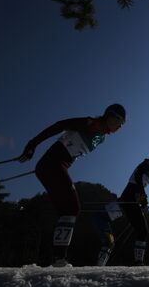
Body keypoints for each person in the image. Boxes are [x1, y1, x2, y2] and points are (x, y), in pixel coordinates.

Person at [18, 104, 126, 267]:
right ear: (112, 117)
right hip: (52, 164)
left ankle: (57, 258)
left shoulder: (101, 136)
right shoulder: (92, 123)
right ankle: (59, 259)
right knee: (72, 207)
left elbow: (73, 147)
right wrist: (33, 143)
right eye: (121, 122)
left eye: (122, 124)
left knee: (67, 210)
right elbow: (60, 125)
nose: (120, 127)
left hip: (54, 165)